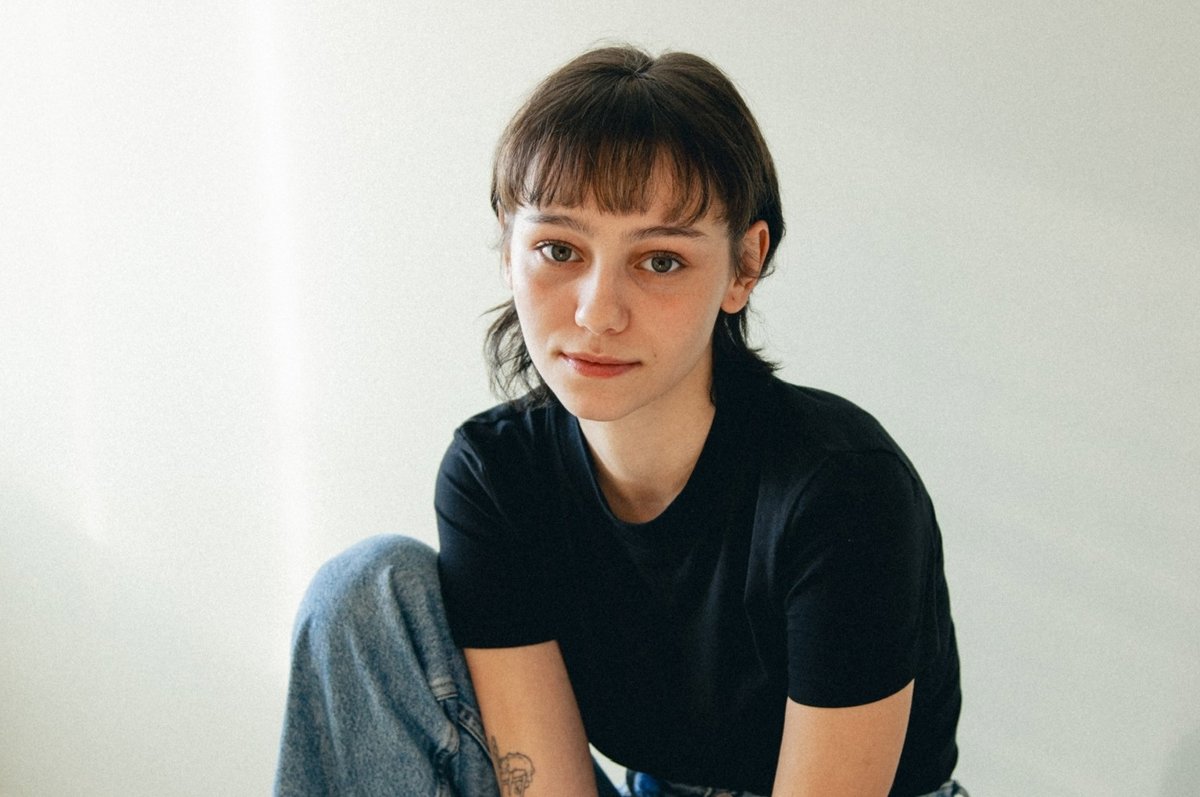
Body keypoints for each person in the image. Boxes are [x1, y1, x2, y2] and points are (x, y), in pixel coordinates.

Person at [275, 45, 965, 797]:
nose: (597, 313)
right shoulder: (498, 476)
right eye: (559, 249)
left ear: (743, 266)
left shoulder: (840, 489)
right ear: (508, 246)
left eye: (660, 260)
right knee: (366, 589)